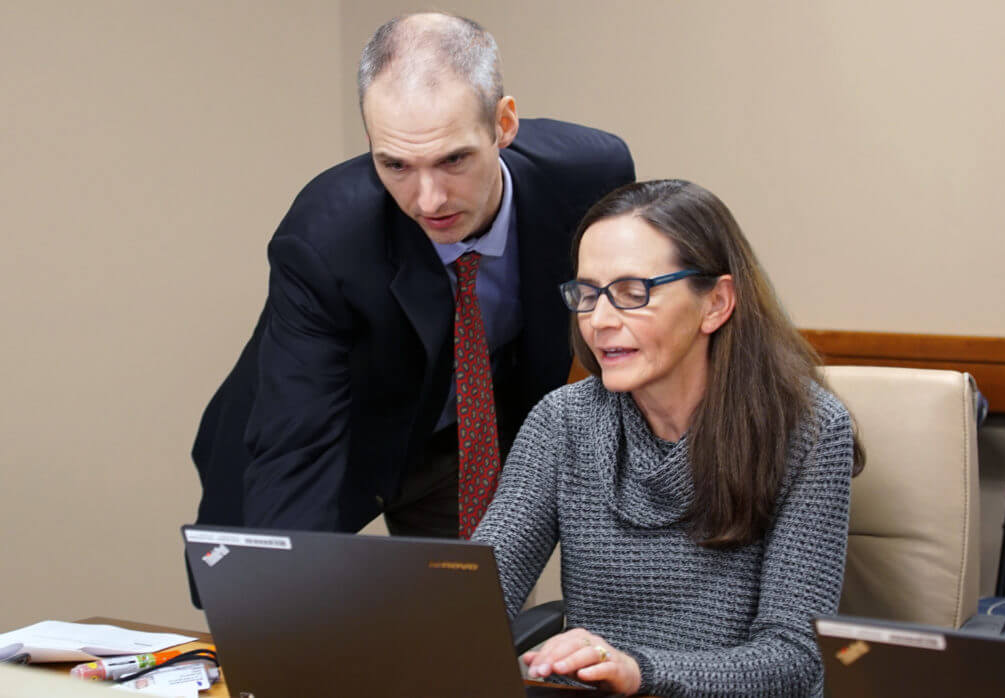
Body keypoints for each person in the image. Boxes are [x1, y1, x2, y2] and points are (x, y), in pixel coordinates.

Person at [188, 10, 634, 578]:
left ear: (503, 123)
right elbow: (297, 440)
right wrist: (281, 601)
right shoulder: (325, 238)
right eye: (395, 165)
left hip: (461, 442)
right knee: (274, 614)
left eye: (454, 160)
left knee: (462, 624)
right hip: (325, 437)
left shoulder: (590, 173)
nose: (428, 200)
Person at [473, 179, 863, 697]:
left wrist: (639, 670)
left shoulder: (809, 432)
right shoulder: (562, 421)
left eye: (633, 293)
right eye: (587, 294)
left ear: (716, 303)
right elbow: (476, 599)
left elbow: (794, 659)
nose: (600, 321)